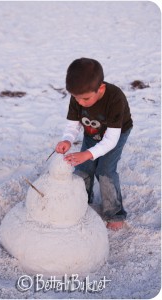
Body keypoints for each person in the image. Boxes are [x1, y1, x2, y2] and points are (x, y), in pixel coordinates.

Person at [55, 58, 133, 231]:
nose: (81, 103)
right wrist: (67, 139)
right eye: (76, 98)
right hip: (91, 132)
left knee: (105, 170)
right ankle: (82, 201)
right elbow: (73, 124)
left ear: (101, 89)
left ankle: (114, 212)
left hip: (115, 134)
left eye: (86, 99)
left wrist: (87, 153)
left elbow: (110, 141)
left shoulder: (115, 98)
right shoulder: (79, 95)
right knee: (83, 168)